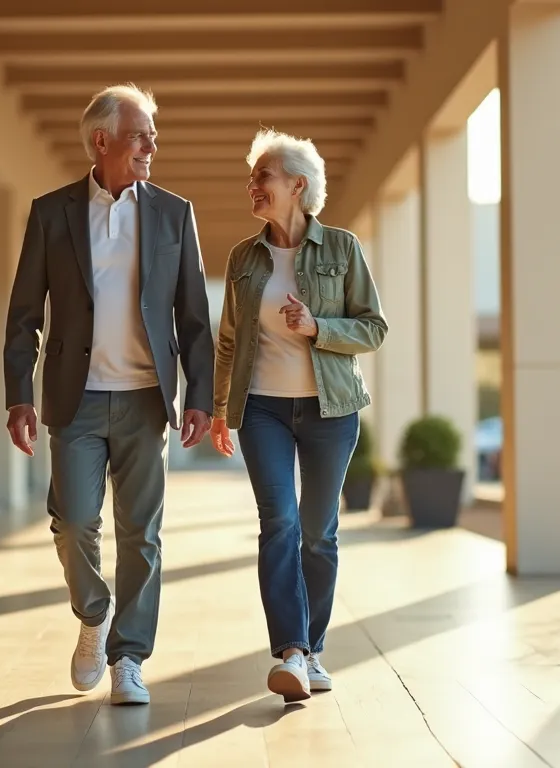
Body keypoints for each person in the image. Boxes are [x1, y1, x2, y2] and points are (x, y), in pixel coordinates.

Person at [2, 84, 214, 706]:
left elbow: (194, 316)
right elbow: (23, 315)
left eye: (151, 134)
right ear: (102, 141)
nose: (152, 145)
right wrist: (19, 395)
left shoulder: (175, 214)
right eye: (141, 134)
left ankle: (128, 658)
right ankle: (93, 615)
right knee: (72, 523)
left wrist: (199, 395)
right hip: (76, 398)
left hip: (148, 398)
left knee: (141, 534)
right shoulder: (52, 212)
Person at [210, 128, 388, 702]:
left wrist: (318, 328)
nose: (252, 184)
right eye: (253, 175)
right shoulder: (243, 257)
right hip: (261, 409)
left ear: (297, 185)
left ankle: (312, 650)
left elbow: (373, 328)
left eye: (262, 175)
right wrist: (219, 410)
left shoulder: (342, 249)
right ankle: (289, 650)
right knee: (279, 524)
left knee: (318, 534)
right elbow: (230, 342)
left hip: (330, 411)